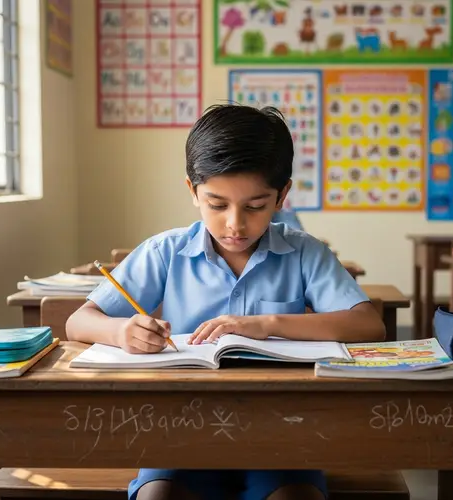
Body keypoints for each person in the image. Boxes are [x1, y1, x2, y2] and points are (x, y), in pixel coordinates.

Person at [66, 104, 385, 500]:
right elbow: (79, 321)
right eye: (217, 205)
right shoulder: (166, 251)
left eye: (255, 206)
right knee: (158, 496)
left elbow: (368, 324)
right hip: (177, 426)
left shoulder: (304, 253)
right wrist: (121, 330)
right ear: (192, 191)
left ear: (282, 195)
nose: (235, 223)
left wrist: (267, 325)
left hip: (282, 428)